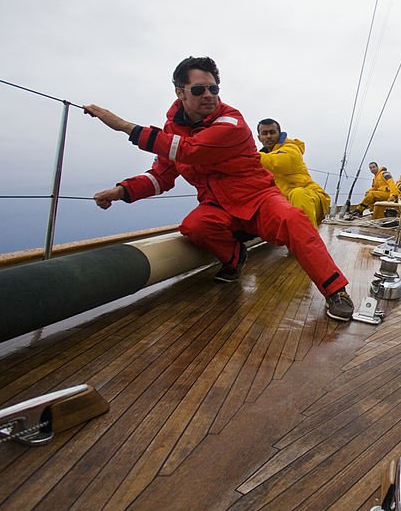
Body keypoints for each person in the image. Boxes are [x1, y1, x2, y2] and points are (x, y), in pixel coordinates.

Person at [84, 56, 356, 322]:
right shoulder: (173, 132)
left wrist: (123, 126)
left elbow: (192, 150)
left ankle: (335, 291)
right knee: (195, 226)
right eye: (199, 89)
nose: (209, 95)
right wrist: (122, 191)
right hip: (217, 205)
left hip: (258, 199)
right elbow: (161, 176)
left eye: (213, 88)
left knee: (293, 218)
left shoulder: (231, 122)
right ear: (180, 92)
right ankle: (235, 258)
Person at [257, 119, 331, 228]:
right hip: (285, 204)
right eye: (264, 133)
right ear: (259, 137)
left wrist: (247, 155)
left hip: (312, 198)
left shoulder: (291, 148)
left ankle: (309, 241)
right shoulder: (261, 159)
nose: (268, 136)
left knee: (298, 194)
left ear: (279, 133)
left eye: (272, 132)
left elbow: (277, 163)